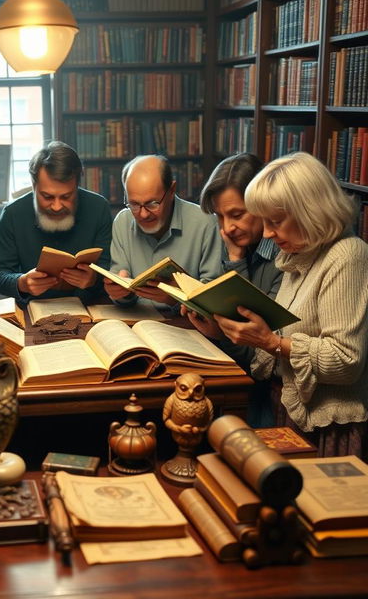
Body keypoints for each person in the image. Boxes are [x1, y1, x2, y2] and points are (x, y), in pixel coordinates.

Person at [214, 151, 368, 457]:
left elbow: (347, 361)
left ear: (310, 210)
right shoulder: (298, 254)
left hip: (328, 425)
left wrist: (272, 342)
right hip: (287, 410)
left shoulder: (348, 255)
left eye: (276, 221)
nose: (269, 233)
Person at [187, 153, 283, 427]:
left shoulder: (282, 254)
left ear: (262, 204)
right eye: (219, 216)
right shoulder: (236, 240)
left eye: (237, 214)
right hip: (236, 377)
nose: (227, 227)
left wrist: (236, 261)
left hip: (265, 389)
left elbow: (257, 351)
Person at [0, 141, 112, 303]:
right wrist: (21, 283)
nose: (56, 206)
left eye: (66, 197)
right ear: (33, 186)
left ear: (77, 185)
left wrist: (94, 279)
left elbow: (110, 270)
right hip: (32, 309)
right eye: (47, 197)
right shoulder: (13, 213)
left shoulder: (98, 207)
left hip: (88, 308)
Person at [105, 154, 221, 310]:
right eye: (134, 204)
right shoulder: (123, 221)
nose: (143, 214)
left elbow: (214, 299)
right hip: (136, 322)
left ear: (172, 190)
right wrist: (122, 294)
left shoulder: (206, 223)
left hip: (185, 326)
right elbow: (122, 292)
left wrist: (176, 299)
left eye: (152, 204)